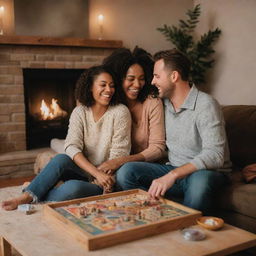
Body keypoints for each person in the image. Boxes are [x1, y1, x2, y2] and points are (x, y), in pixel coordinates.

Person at [116, 49, 232, 214]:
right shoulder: (164, 104)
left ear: (174, 76)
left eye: (157, 76)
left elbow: (215, 155)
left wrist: (172, 175)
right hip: (174, 169)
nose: (152, 82)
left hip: (206, 173)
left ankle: (186, 229)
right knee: (127, 172)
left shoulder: (206, 105)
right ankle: (152, 216)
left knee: (199, 182)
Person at [2, 65, 131, 211]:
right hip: (85, 170)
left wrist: (101, 179)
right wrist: (94, 172)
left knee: (72, 188)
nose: (109, 90)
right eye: (103, 85)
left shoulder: (120, 112)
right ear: (90, 87)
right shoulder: (80, 112)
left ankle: (35, 189)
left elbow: (118, 156)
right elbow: (71, 146)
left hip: (106, 179)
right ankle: (27, 196)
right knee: (60, 159)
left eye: (112, 86)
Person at [97, 47, 166, 175]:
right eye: (131, 79)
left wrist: (121, 161)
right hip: (114, 168)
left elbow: (158, 149)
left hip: (148, 167)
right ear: (118, 79)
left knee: (125, 173)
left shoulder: (152, 102)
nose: (137, 84)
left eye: (141, 78)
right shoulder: (111, 105)